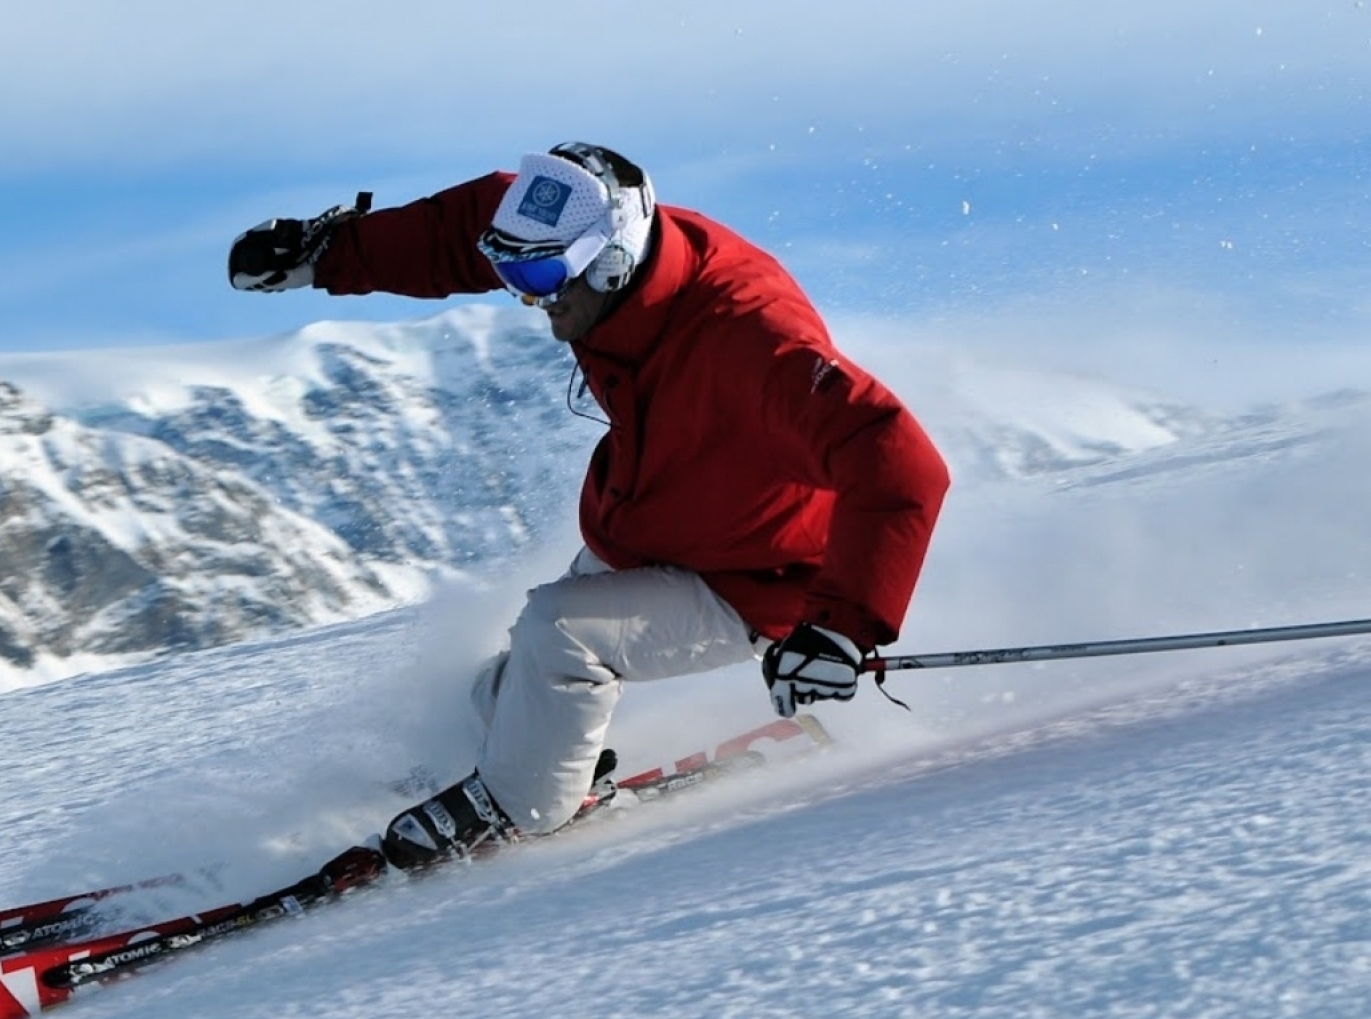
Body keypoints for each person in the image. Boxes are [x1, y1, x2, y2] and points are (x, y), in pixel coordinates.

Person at [228, 143, 950, 870]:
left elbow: (900, 460)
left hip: (761, 576)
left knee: (562, 634)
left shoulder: (751, 339)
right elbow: (457, 231)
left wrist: (841, 629)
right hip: (658, 520)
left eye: (539, 276)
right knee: (523, 671)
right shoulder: (587, 246)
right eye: (511, 271)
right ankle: (507, 759)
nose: (529, 297)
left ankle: (522, 810)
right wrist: (327, 255)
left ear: (611, 261)